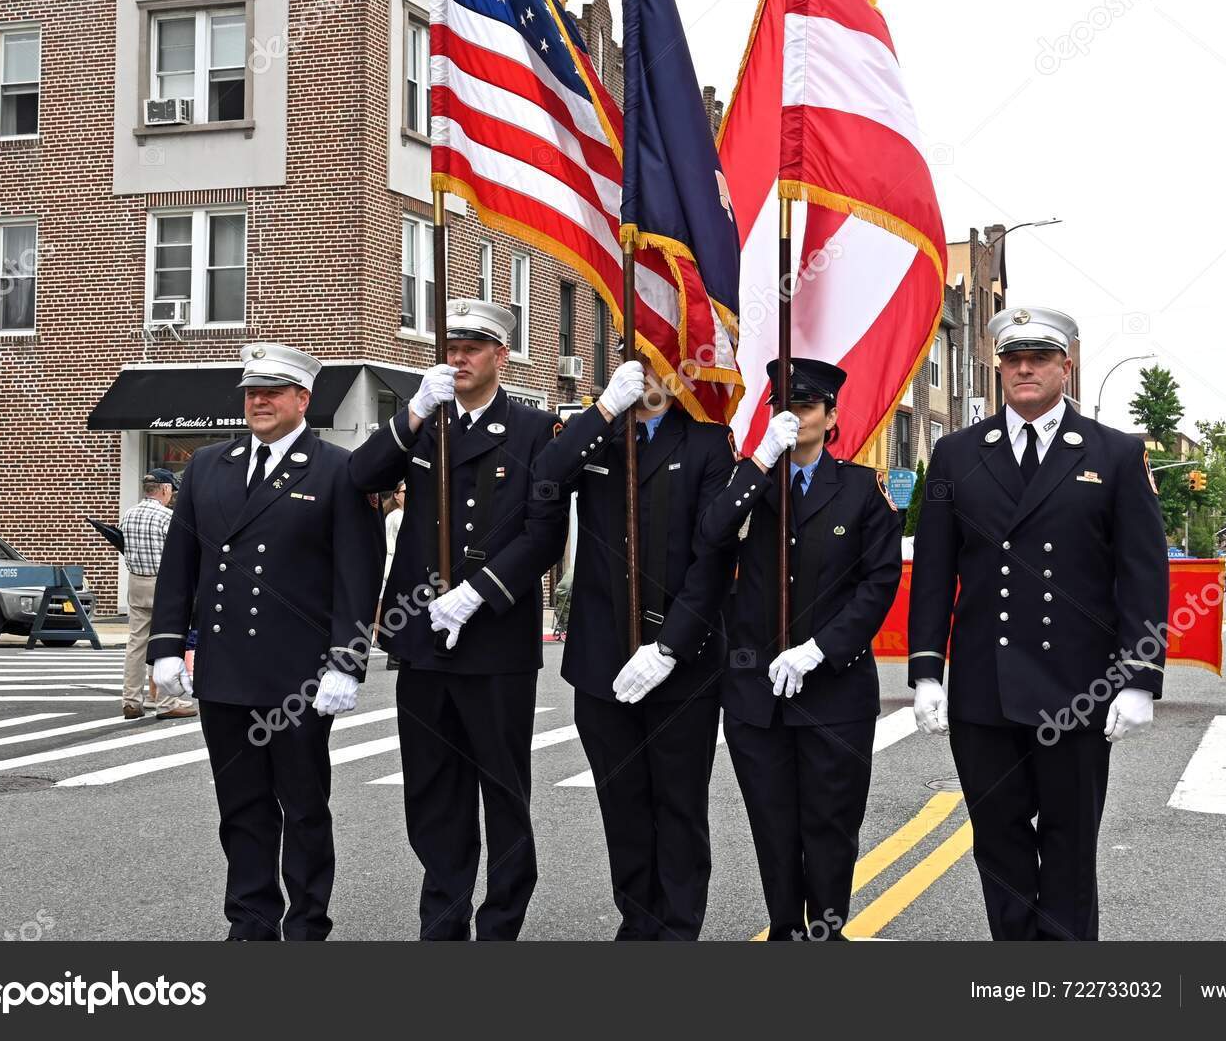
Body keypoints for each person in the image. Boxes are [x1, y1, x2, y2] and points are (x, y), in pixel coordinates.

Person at [910, 306, 1168, 942]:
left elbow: (1140, 571)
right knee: (997, 843)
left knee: (1070, 842)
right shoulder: (956, 453)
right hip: (984, 687)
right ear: (998, 367)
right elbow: (936, 570)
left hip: (1077, 686)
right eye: (1013, 359)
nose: (1024, 369)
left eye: (1040, 358)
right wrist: (925, 671)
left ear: (1066, 367)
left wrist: (1139, 675)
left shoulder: (1113, 452)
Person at [147, 343, 383, 941]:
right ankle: (250, 921)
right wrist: (168, 645)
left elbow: (357, 573)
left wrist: (346, 661)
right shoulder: (207, 466)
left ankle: (306, 923)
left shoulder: (336, 469)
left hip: (299, 675)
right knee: (241, 807)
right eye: (252, 392)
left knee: (303, 807)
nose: (258, 401)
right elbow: (181, 563)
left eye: (272, 391)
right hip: (226, 670)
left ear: (303, 399)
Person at [350, 299, 569, 941]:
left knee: (501, 790)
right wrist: (414, 410)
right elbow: (362, 476)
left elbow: (544, 532)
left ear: (502, 354)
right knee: (432, 790)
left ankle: (501, 920)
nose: (460, 356)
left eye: (474, 346)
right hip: (422, 639)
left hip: (494, 639)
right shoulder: (424, 420)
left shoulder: (534, 429)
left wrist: (479, 592)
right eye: (452, 345)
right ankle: (443, 920)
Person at [697, 357, 902, 941]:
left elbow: (878, 583)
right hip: (755, 691)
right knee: (773, 821)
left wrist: (819, 649)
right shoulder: (750, 481)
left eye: (807, 406)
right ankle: (786, 929)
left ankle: (827, 931)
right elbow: (711, 535)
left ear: (830, 417)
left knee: (831, 821)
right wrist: (761, 461)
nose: (794, 415)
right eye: (782, 406)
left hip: (834, 689)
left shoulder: (862, 490)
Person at [532, 352, 736, 940]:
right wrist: (601, 411)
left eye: (661, 368)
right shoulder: (595, 437)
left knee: (678, 805)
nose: (649, 380)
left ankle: (676, 928)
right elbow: (545, 480)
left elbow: (713, 559)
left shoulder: (705, 445)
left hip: (681, 665)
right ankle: (637, 921)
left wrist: (669, 645)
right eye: (637, 367)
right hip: (602, 659)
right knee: (621, 804)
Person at [119, 468, 193, 720]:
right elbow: (178, 553)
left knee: (136, 644)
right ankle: (166, 701)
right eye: (171, 489)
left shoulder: (128, 514)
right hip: (163, 585)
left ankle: (131, 700)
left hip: (136, 582)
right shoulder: (166, 517)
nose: (171, 494)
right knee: (166, 642)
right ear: (163, 489)